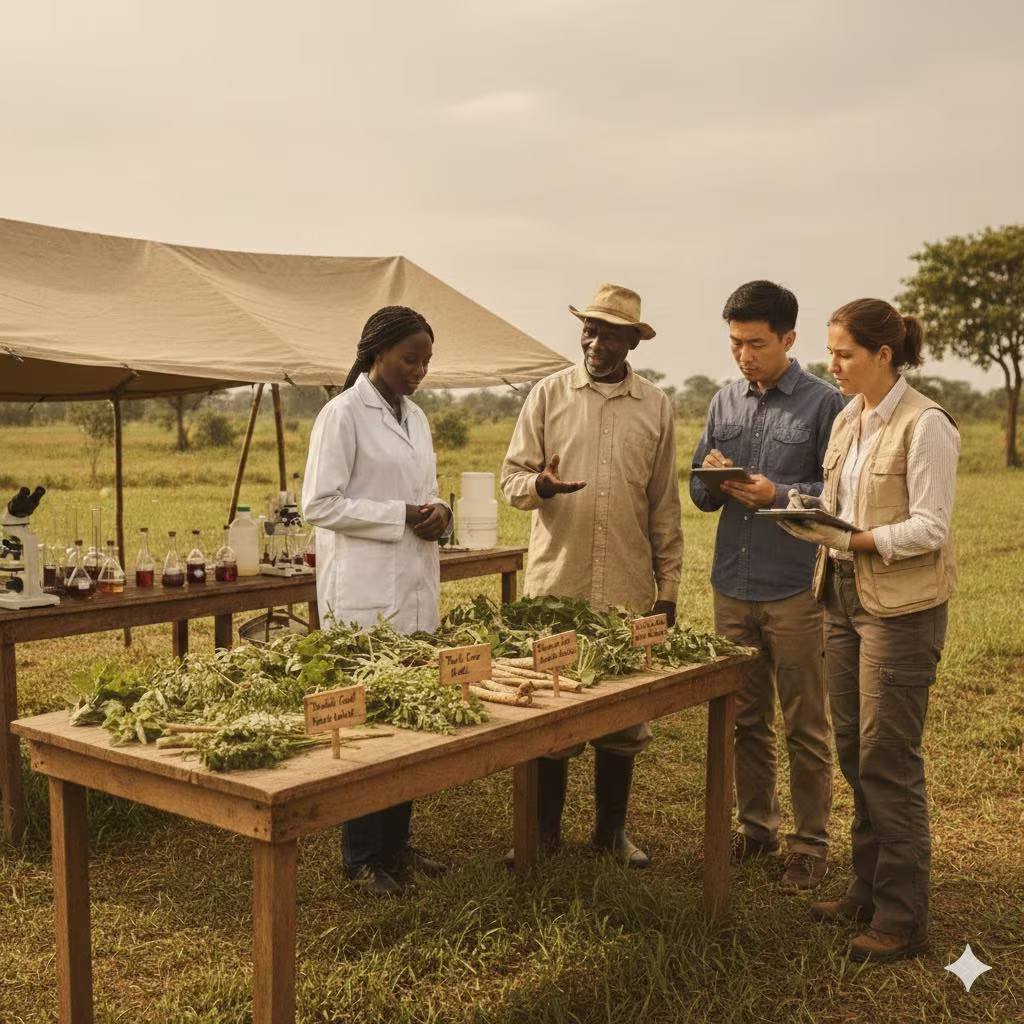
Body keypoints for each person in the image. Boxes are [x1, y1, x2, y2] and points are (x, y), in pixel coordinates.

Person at [777, 298, 959, 962]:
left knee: (889, 758)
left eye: (845, 354)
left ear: (884, 355)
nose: (833, 365)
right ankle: (865, 889)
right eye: (831, 353)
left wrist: (854, 538)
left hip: (899, 608)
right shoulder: (850, 419)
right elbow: (845, 506)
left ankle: (903, 918)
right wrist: (810, 515)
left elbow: (931, 527)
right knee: (854, 749)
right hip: (842, 595)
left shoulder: (926, 424)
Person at [501, 283, 683, 868]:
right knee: (550, 711)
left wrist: (669, 590)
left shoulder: (656, 406)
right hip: (557, 586)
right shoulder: (549, 395)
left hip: (627, 590)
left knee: (624, 714)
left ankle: (610, 833)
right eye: (589, 328)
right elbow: (512, 480)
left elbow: (664, 505)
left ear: (633, 341)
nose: (595, 340)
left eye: (609, 331)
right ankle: (543, 836)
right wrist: (541, 486)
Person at [689, 280, 843, 890]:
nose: (743, 355)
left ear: (789, 339)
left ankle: (810, 843)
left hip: (796, 586)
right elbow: (700, 494)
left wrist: (776, 494)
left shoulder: (825, 404)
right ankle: (756, 827)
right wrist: (714, 478)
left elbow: (839, 495)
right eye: (734, 343)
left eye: (755, 342)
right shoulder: (722, 402)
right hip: (733, 582)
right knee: (744, 717)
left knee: (805, 721)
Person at [301, 305, 452, 896]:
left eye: (426, 361)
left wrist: (439, 512)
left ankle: (396, 845)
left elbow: (424, 492)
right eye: (410, 358)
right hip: (363, 596)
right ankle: (361, 856)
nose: (418, 370)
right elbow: (320, 504)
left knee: (407, 721)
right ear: (376, 354)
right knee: (366, 727)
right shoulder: (341, 416)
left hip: (413, 586)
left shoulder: (415, 418)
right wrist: (400, 516)